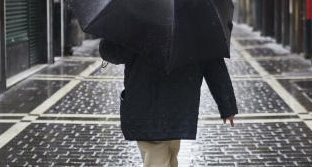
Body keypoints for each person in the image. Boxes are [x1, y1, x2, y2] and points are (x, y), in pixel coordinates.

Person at [99, 39, 238, 167]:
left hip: (145, 105)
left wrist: (107, 39)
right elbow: (213, 63)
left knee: (158, 157)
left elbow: (114, 53)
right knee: (170, 157)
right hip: (178, 107)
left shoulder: (136, 19)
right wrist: (227, 105)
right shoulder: (196, 21)